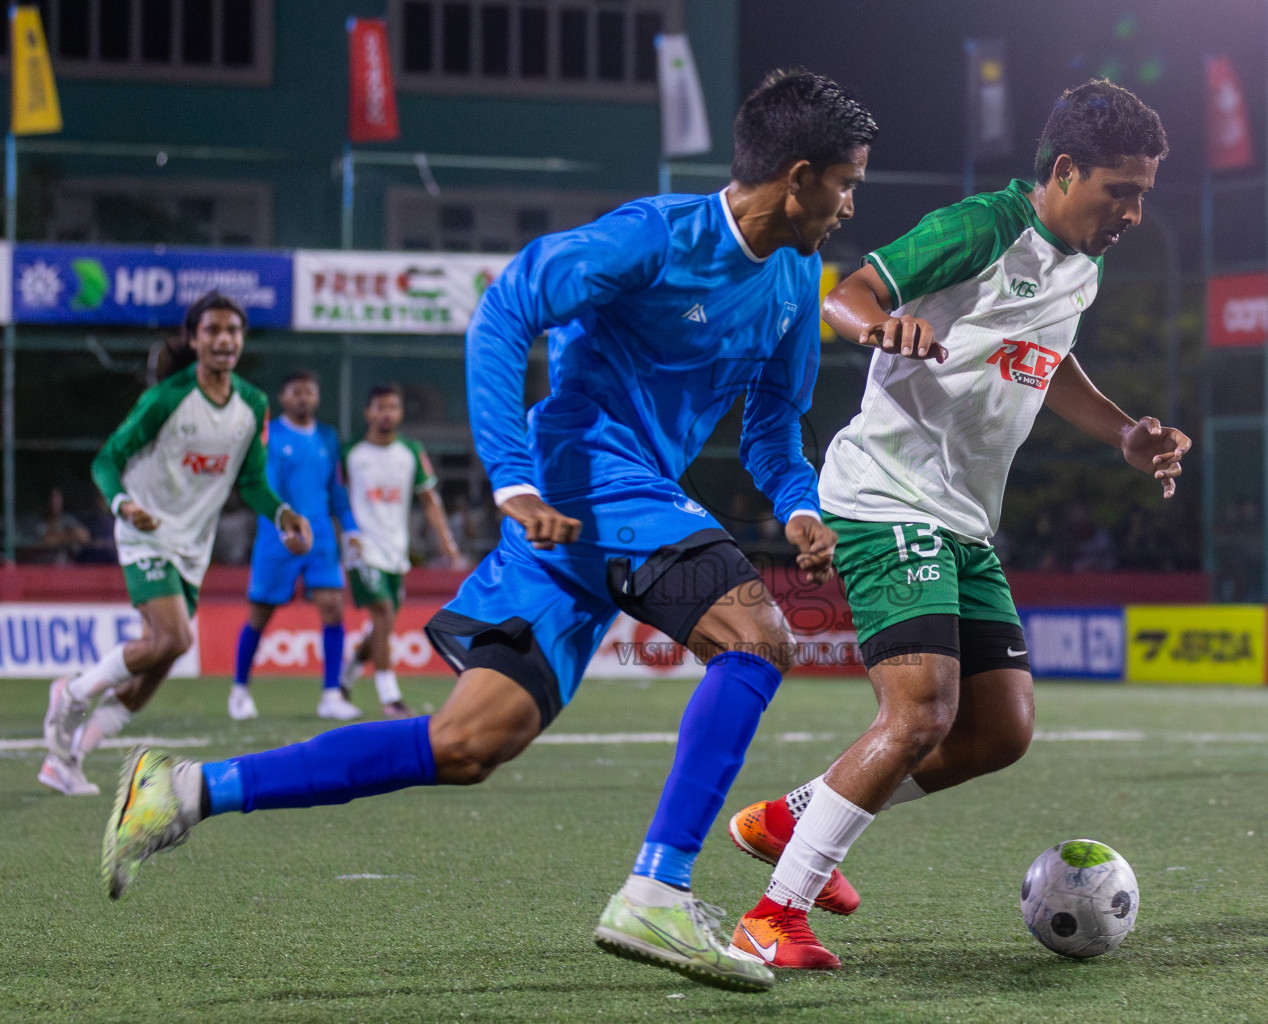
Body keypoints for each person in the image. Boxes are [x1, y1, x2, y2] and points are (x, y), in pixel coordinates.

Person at [101, 69, 876, 994]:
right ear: (798, 178)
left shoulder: (793, 277)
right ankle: (657, 890)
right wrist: (508, 475)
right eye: (847, 181)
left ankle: (183, 792)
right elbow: (508, 306)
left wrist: (799, 504)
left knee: (466, 744)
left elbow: (772, 426)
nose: (851, 202)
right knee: (757, 638)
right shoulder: (654, 237)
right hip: (578, 478)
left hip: (601, 518)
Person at [724, 79, 1188, 970]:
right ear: (1064, 170)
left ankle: (792, 819)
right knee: (923, 710)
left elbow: (1047, 365)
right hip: (887, 496)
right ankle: (774, 916)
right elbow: (849, 290)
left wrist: (1127, 433)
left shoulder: (1082, 267)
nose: (1132, 212)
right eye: (1119, 191)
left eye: (1143, 195)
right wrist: (878, 328)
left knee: (998, 731)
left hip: (962, 521)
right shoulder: (984, 225)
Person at [40, 292, 310, 796]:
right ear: (194, 339)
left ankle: (69, 758)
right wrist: (123, 504)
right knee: (176, 641)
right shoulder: (167, 398)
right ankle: (72, 691)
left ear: (241, 340)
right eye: (212, 330)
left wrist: (282, 512)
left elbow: (250, 479)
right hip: (145, 532)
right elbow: (106, 460)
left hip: (192, 547)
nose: (224, 339)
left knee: (156, 670)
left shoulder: (252, 404)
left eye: (233, 330)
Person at [228, 371, 361, 722]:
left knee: (333, 606)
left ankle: (331, 695)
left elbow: (336, 489)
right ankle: (239, 691)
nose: (304, 397)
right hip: (278, 536)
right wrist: (282, 524)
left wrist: (349, 528)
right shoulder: (271, 436)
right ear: (283, 398)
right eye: (296, 392)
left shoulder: (328, 437)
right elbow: (265, 485)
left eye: (310, 391)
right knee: (260, 614)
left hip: (319, 536)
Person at [340, 384, 464, 717]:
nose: (387, 413)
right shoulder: (351, 453)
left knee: (383, 623)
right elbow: (336, 498)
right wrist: (342, 534)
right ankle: (389, 696)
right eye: (380, 407)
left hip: (396, 550)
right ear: (367, 412)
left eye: (393, 407)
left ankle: (349, 672)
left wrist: (446, 541)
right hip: (361, 547)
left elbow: (429, 498)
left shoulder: (410, 452)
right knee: (381, 611)